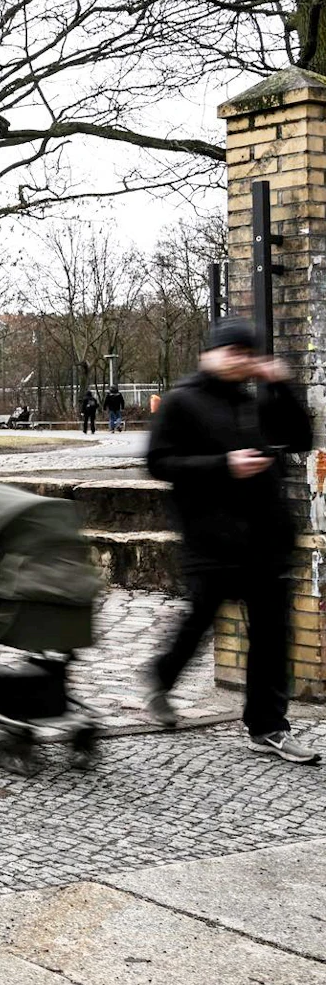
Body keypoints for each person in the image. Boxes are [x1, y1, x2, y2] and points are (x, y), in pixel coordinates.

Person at [142, 317, 320, 763]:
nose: (241, 360)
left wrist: (281, 386)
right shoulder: (182, 401)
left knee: (272, 635)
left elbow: (300, 437)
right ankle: (162, 677)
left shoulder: (254, 400)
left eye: (247, 353)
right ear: (211, 354)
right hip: (210, 539)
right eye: (233, 352)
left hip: (265, 538)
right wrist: (224, 465)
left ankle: (268, 726)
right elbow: (159, 463)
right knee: (199, 620)